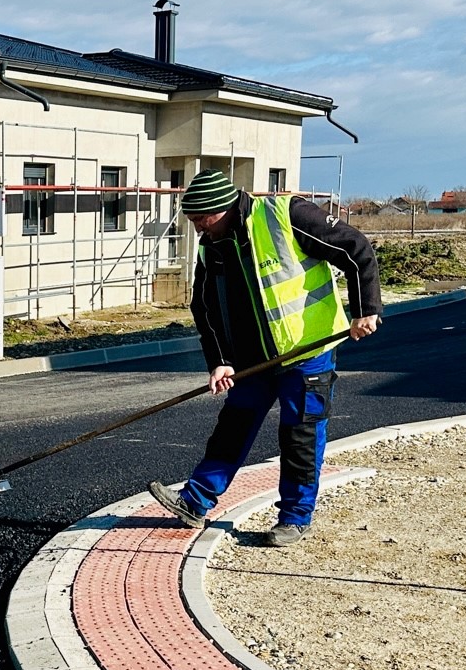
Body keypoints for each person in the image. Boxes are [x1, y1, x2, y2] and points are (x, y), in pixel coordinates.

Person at [147, 168, 382, 547]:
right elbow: (203, 307)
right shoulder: (213, 243)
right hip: (251, 362)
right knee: (232, 428)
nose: (197, 230)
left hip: (307, 353)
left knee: (300, 436)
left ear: (220, 208)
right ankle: (195, 501)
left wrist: (365, 308)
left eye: (200, 220)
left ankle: (295, 518)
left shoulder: (287, 216)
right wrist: (219, 361)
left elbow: (356, 248)